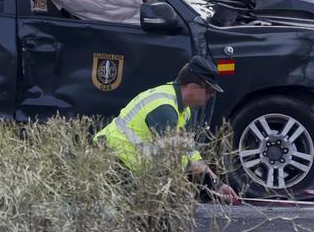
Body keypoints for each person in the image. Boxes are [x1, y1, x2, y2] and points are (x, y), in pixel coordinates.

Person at [93, 55, 241, 204]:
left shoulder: (184, 110)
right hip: (109, 162)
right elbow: (171, 159)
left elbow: (189, 153)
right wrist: (206, 184)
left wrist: (218, 184)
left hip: (126, 168)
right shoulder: (164, 108)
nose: (211, 95)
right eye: (209, 90)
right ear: (193, 87)